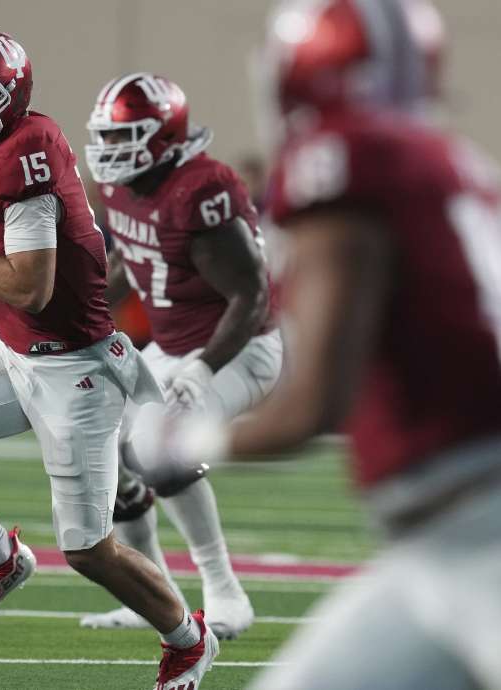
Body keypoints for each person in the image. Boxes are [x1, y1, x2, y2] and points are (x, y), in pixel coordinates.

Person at [130, 1, 501, 688]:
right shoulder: (453, 162)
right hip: (434, 545)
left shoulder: (344, 155)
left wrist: (183, 444)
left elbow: (316, 402)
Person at [0, 29, 216, 689]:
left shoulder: (23, 156)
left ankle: (187, 639)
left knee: (89, 550)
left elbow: (29, 285)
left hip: (78, 369)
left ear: (7, 98)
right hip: (16, 351)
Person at [78, 73, 277, 640]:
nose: (112, 152)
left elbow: (252, 293)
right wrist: (75, 314)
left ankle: (224, 593)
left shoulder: (200, 190)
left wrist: (204, 367)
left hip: (241, 345)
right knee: (105, 446)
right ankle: (151, 596)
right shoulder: (122, 186)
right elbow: (133, 265)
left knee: (160, 447)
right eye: (107, 138)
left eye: (126, 138)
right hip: (172, 346)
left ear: (162, 137)